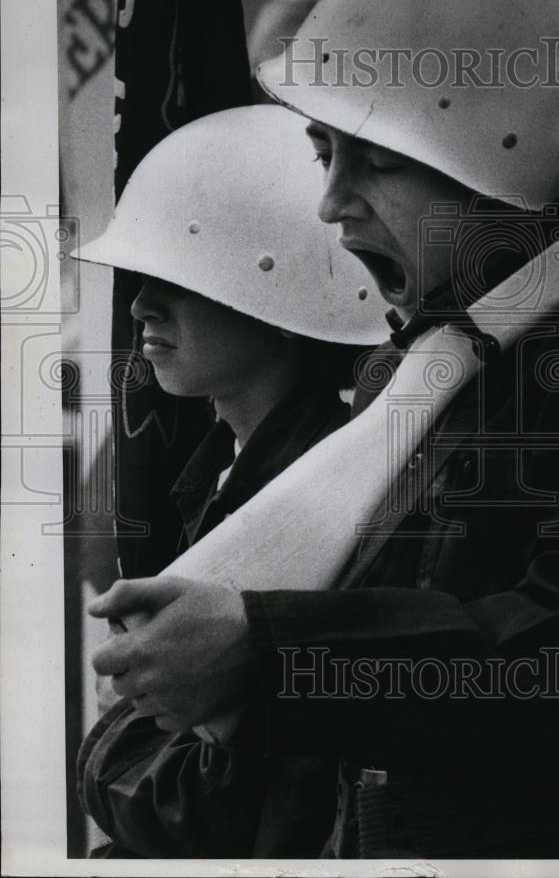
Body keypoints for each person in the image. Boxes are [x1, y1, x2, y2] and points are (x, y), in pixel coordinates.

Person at [86, 0, 559, 858]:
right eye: (324, 153)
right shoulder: (429, 362)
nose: (331, 204)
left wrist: (264, 654)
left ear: (490, 151)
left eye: (376, 161)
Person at [73, 103, 388, 856]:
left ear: (283, 298)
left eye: (186, 279)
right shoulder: (221, 470)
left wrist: (111, 751)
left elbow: (217, 805)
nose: (144, 304)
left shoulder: (322, 493)